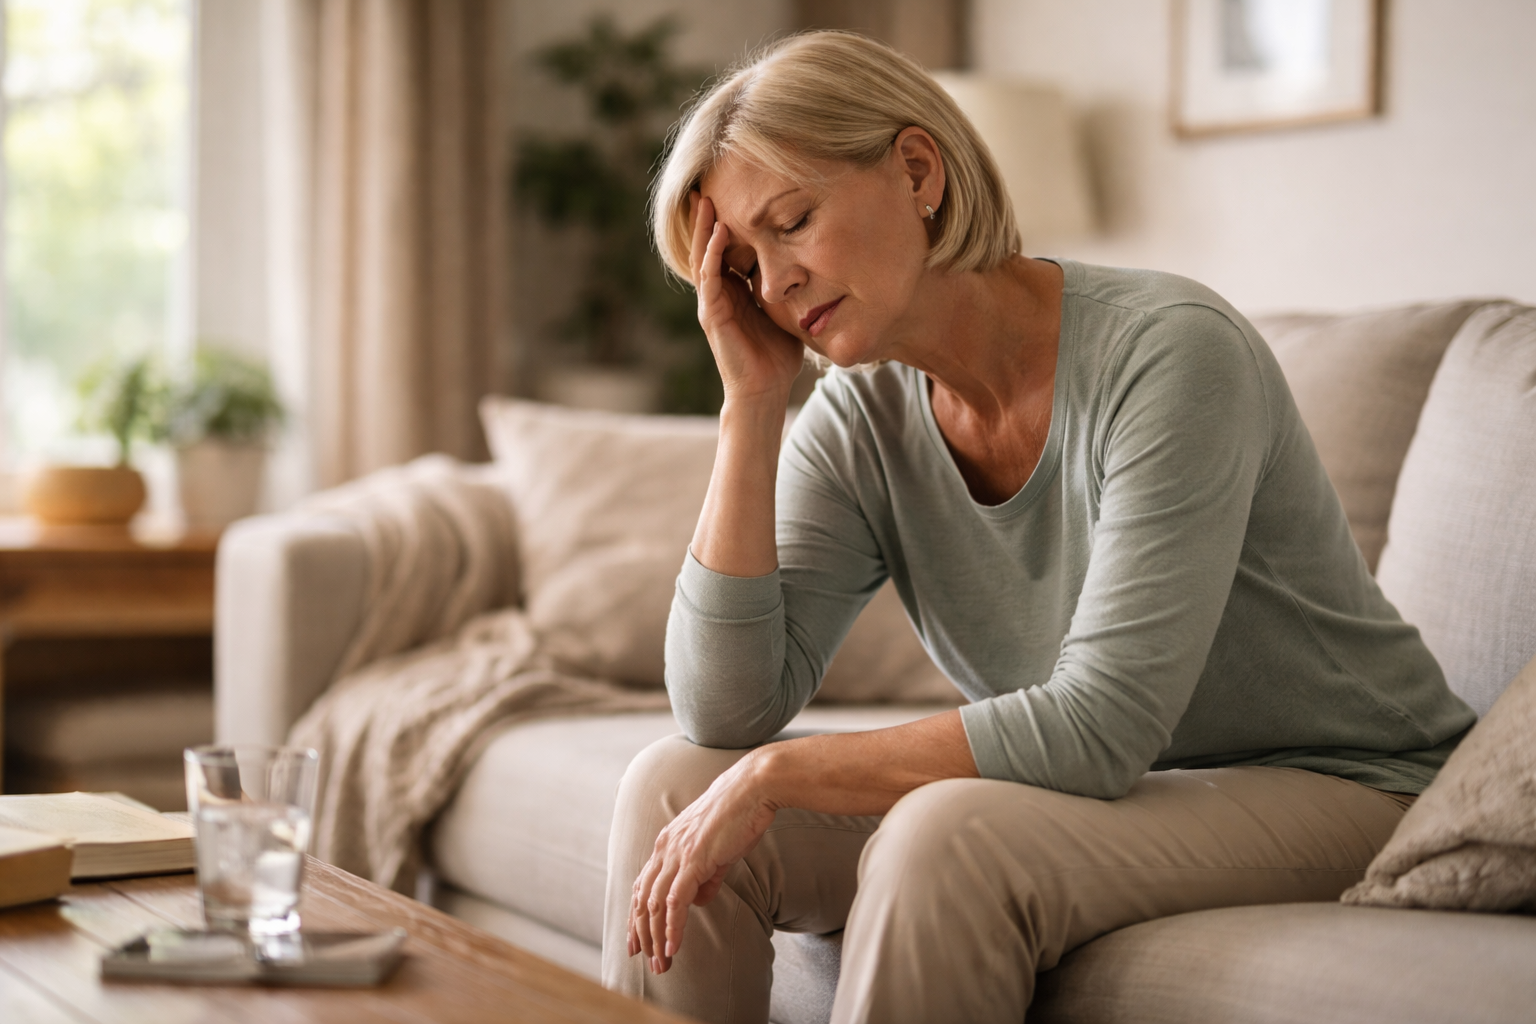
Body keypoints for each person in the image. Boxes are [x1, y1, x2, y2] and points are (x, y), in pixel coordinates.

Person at [600, 30, 1474, 1024]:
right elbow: (723, 710)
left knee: (947, 835)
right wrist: (751, 408)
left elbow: (1100, 726)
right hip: (1123, 796)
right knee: (673, 783)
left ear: (918, 170)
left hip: (1353, 790)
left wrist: (782, 771)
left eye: (792, 221)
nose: (778, 284)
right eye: (746, 265)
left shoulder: (1172, 356)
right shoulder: (859, 421)